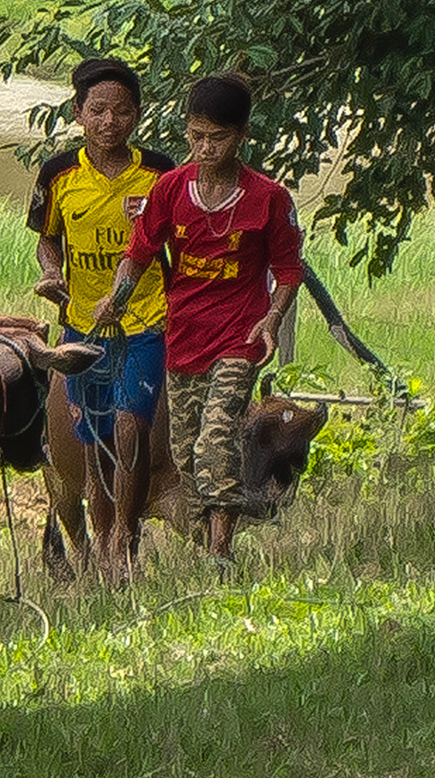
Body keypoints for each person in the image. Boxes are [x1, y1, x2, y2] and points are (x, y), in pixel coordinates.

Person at [96, 72, 303, 562]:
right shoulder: (170, 189)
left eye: (218, 138)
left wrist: (271, 318)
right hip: (185, 334)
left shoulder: (268, 198)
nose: (205, 148)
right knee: (186, 452)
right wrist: (117, 298)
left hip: (240, 335)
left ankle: (220, 554)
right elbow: (140, 251)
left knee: (215, 438)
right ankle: (216, 528)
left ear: (242, 137)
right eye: (196, 136)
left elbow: (288, 270)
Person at [27, 57, 173, 578]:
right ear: (78, 112)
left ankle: (124, 539)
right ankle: (103, 529)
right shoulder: (58, 174)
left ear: (137, 116)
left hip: (147, 320)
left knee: (133, 424)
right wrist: (52, 274)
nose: (110, 122)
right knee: (94, 437)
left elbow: (184, 239)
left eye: (122, 111)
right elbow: (48, 240)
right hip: (83, 325)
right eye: (99, 111)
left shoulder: (160, 173)